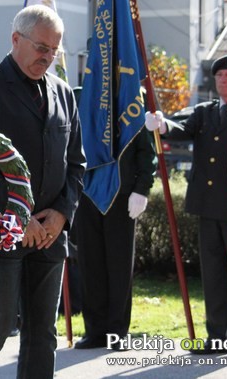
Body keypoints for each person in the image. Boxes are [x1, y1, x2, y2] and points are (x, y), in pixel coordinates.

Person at [0, 4, 85, 379]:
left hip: (49, 235)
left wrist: (62, 212)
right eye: (40, 47)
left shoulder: (63, 93)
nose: (47, 57)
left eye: (54, 50)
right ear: (16, 39)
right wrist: (19, 217)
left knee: (41, 336)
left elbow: (76, 163)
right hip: (1, 234)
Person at [146, 53, 227, 359]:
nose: (223, 80)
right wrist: (162, 124)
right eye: (219, 76)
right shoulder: (206, 112)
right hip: (208, 207)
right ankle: (217, 335)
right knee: (214, 276)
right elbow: (183, 129)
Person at [73, 127, 155, 350]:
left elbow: (147, 152)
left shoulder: (130, 99)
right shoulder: (80, 98)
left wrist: (142, 189)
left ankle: (117, 332)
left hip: (122, 194)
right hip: (86, 192)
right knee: (90, 264)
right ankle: (95, 330)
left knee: (118, 266)